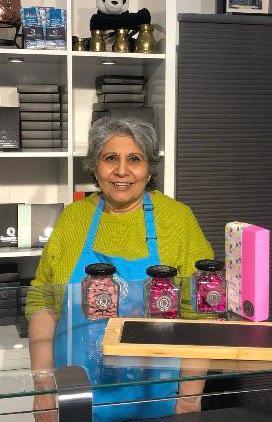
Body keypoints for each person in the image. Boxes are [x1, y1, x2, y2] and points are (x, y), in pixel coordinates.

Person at [25, 117, 214, 421]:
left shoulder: (177, 220)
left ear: (150, 168)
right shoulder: (73, 220)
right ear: (95, 167)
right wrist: (44, 390)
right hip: (78, 399)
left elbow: (199, 316)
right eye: (110, 158)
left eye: (135, 159)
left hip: (157, 402)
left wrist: (189, 401)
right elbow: (43, 304)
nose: (122, 171)